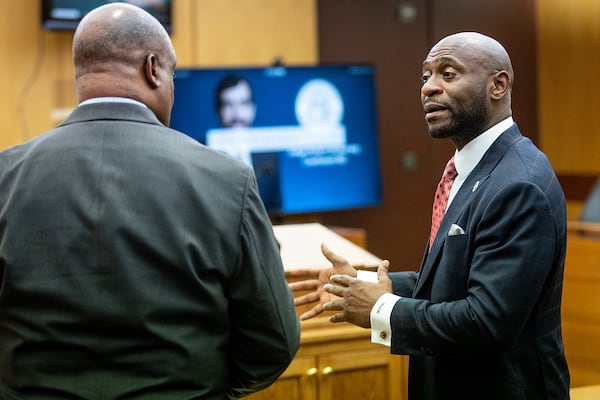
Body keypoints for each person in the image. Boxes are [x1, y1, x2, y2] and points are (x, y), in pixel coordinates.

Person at [0, 3, 299, 399]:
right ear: (153, 68)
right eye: (173, 74)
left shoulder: (6, 175)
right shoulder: (228, 180)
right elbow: (274, 339)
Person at [290, 32, 570, 399]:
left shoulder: (519, 184)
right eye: (425, 77)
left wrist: (381, 308)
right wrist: (366, 282)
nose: (429, 89)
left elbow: (485, 322)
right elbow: (459, 282)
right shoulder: (471, 169)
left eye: (448, 74)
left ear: (498, 85)